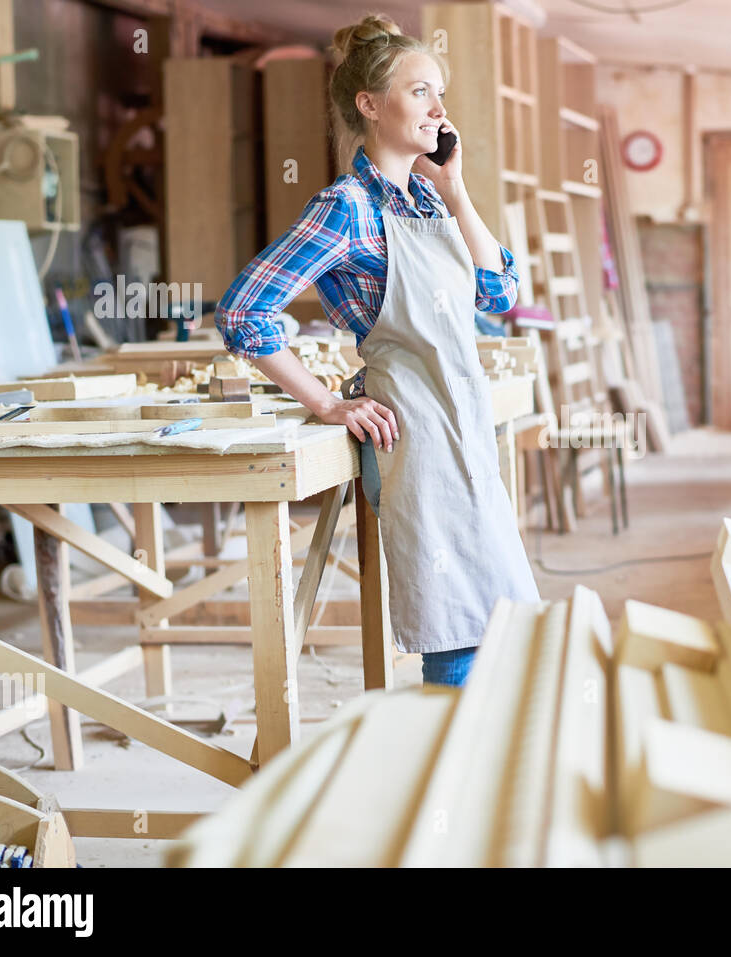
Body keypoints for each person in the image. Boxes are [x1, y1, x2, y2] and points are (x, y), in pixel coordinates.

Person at [214, 13, 540, 687]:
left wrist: (456, 190)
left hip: (466, 420)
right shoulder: (346, 208)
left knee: (498, 618)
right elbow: (245, 309)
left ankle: (480, 770)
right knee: (454, 625)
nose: (439, 107)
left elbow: (499, 293)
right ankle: (453, 773)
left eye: (439, 92)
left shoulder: (428, 198)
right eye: (420, 91)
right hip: (415, 429)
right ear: (370, 104)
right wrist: (327, 402)